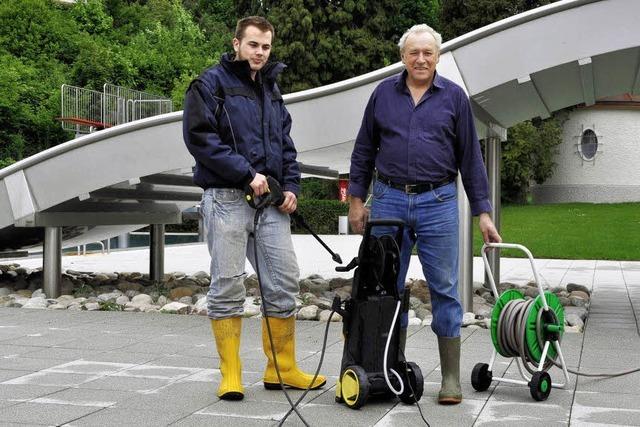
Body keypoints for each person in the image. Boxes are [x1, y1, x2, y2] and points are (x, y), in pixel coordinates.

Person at [347, 24, 502, 405]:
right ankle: (390, 368)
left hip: (438, 204)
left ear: (438, 57)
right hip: (388, 202)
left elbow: (471, 159)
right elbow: (364, 149)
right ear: (403, 57)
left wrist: (483, 213)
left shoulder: (455, 99)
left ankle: (450, 378)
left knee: (446, 290)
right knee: (386, 288)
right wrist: (356, 199)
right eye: (413, 53)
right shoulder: (383, 95)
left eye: (428, 53)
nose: (421, 59)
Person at [182, 16, 326, 401]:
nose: (260, 52)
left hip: (270, 205)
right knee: (227, 285)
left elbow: (286, 146)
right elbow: (199, 139)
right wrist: (246, 173)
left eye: (265, 46)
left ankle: (282, 369)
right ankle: (230, 373)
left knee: (283, 282)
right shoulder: (209, 84)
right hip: (226, 199)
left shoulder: (272, 90)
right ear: (236, 44)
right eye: (253, 45)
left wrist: (291, 187)